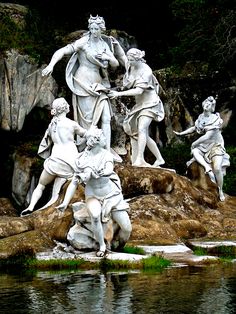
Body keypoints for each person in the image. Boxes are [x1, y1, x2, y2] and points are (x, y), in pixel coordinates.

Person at [42, 15, 127, 154]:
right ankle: (88, 150)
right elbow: (63, 51)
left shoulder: (104, 44)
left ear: (102, 29)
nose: (93, 31)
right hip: (84, 83)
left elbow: (115, 64)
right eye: (91, 28)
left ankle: (105, 151)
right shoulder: (83, 42)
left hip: (99, 85)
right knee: (87, 121)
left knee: (106, 117)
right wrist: (51, 65)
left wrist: (109, 57)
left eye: (96, 29)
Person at [57, 128, 132, 257]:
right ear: (96, 140)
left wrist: (103, 172)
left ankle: (118, 247)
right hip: (93, 196)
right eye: (102, 137)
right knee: (95, 216)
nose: (105, 139)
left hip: (112, 195)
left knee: (127, 228)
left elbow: (109, 169)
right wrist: (65, 203)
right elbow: (74, 182)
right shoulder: (82, 159)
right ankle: (102, 246)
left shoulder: (106, 155)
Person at [20, 97, 87, 216]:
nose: (69, 106)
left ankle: (31, 207)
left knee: (41, 185)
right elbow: (85, 134)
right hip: (69, 163)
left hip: (54, 162)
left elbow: (47, 143)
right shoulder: (72, 124)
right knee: (83, 176)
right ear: (65, 108)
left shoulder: (52, 126)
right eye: (67, 105)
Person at [108, 48, 165, 167]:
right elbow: (123, 56)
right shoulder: (132, 65)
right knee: (139, 132)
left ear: (137, 59)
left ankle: (140, 159)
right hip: (140, 105)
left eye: (131, 59)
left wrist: (118, 94)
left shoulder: (146, 71)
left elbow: (139, 91)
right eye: (128, 59)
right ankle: (159, 158)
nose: (128, 61)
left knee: (142, 129)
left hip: (150, 103)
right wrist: (115, 44)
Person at [174, 96, 230, 202]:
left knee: (217, 168)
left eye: (208, 104)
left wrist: (194, 143)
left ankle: (220, 189)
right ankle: (207, 167)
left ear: (211, 107)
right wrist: (182, 133)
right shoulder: (201, 117)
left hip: (215, 145)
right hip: (204, 146)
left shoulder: (215, 119)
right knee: (195, 151)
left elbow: (207, 136)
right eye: (205, 104)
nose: (206, 105)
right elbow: (194, 128)